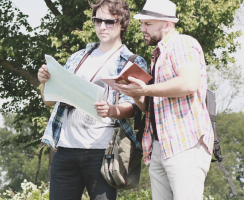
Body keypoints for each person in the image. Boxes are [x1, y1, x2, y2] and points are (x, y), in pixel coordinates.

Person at [38, 0, 147, 199]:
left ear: (122, 24)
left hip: (102, 151)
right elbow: (49, 101)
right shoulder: (78, 57)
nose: (102, 26)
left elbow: (133, 106)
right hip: (65, 147)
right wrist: (45, 82)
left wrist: (111, 110)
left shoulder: (132, 61)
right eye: (97, 21)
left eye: (109, 22)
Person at [115, 0, 214, 199]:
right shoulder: (158, 55)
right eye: (142, 23)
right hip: (159, 147)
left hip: (185, 145)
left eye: (148, 24)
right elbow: (150, 108)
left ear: (167, 25)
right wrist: (136, 93)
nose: (142, 29)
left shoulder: (183, 43)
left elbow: (189, 83)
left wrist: (147, 89)